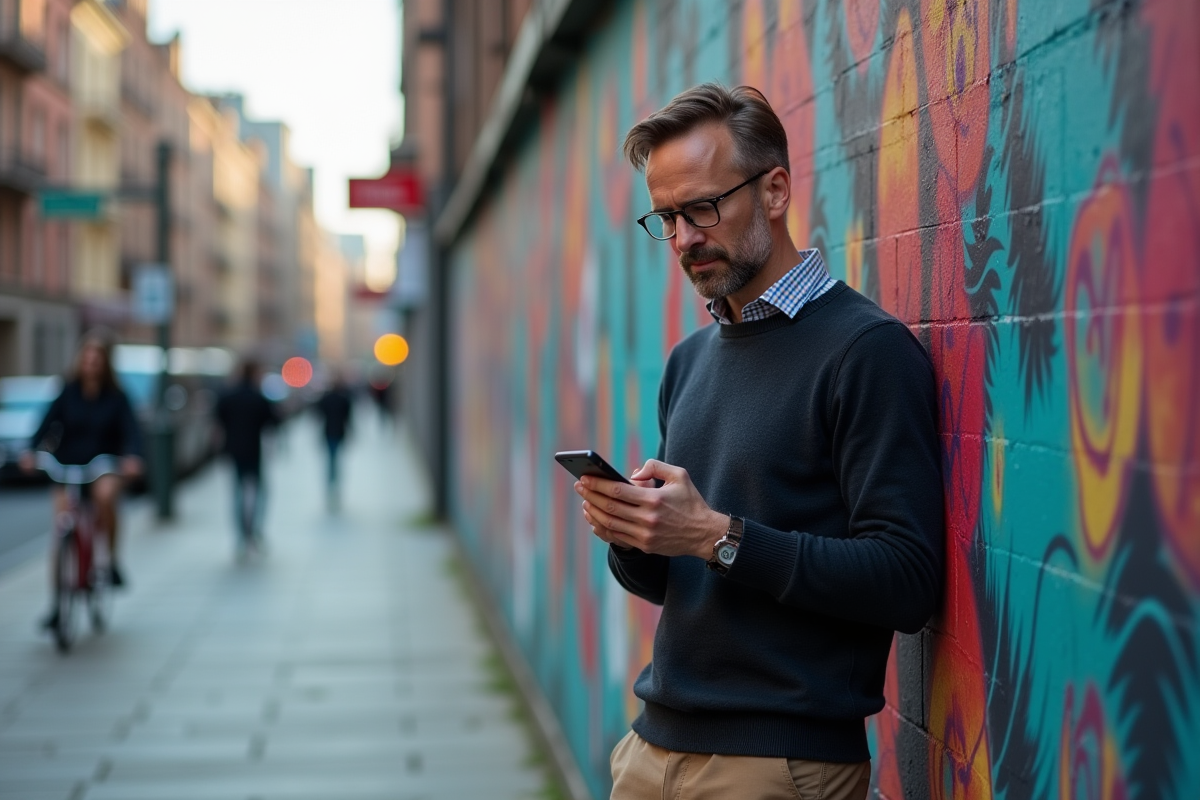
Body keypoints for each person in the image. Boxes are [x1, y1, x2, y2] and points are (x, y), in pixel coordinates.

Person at [574, 84, 945, 799]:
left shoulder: (866, 352)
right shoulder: (689, 360)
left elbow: (906, 579)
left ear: (775, 191)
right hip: (651, 747)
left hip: (778, 764)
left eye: (704, 208)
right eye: (668, 218)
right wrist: (635, 534)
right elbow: (682, 580)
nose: (684, 239)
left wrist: (718, 535)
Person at [22, 330, 143, 622]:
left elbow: (132, 431)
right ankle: (56, 606)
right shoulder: (67, 391)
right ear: (80, 361)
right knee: (61, 526)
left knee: (105, 497)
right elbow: (46, 424)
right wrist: (30, 450)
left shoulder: (117, 397)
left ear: (104, 363)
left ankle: (110, 560)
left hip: (103, 465)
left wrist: (133, 457)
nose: (91, 363)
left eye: (97, 359)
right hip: (67, 466)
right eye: (87, 358)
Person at [214, 359, 279, 558]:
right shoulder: (258, 397)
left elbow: (218, 422)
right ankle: (255, 530)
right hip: (253, 451)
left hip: (233, 451)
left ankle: (241, 536)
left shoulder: (228, 396)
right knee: (260, 492)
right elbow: (273, 421)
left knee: (238, 494)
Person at [315, 371, 353, 509]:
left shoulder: (326, 399)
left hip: (328, 432)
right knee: (335, 458)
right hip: (339, 432)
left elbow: (318, 414)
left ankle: (331, 483)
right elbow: (349, 418)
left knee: (331, 459)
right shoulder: (344, 399)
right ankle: (335, 483)